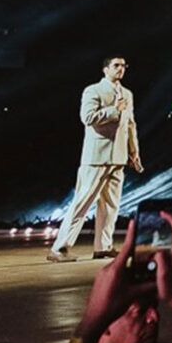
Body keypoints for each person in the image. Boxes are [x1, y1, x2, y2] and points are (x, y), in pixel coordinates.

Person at [48, 56, 143, 263]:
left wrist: (134, 152)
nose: (121, 69)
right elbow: (88, 118)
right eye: (116, 65)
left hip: (118, 157)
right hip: (96, 157)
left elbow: (130, 125)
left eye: (124, 66)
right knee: (82, 203)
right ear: (105, 69)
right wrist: (114, 110)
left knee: (110, 205)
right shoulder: (93, 90)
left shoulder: (127, 94)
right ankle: (59, 248)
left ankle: (103, 246)